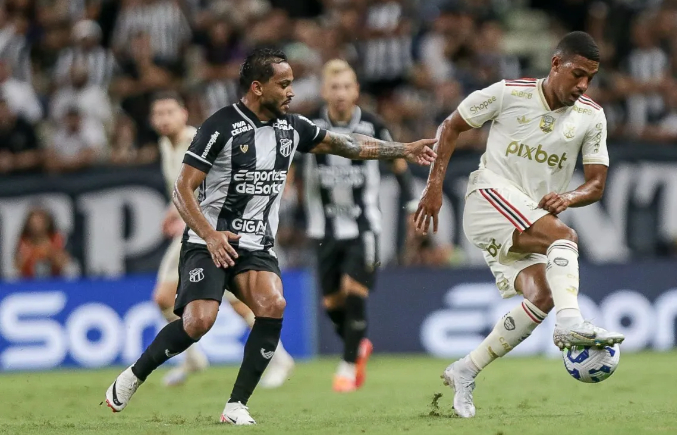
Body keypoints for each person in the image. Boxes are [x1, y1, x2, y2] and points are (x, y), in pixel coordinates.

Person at [104, 48, 436, 425]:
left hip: (256, 245)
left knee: (273, 304)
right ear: (258, 88)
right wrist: (210, 235)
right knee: (198, 322)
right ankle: (134, 375)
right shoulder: (221, 126)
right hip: (209, 242)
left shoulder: (292, 127)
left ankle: (236, 405)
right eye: (284, 84)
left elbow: (348, 145)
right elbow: (183, 189)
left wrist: (404, 149)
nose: (291, 91)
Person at [415, 31, 625, 418]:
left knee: (543, 294)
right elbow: (451, 125)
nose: (583, 85)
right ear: (556, 64)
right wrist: (433, 186)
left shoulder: (592, 116)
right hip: (489, 198)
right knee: (564, 236)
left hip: (524, 221)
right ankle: (571, 323)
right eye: (578, 74)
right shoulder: (509, 93)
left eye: (590, 78)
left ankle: (466, 369)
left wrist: (569, 197)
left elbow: (596, 184)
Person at [147, 91, 295, 389]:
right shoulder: (166, 145)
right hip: (196, 231)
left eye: (169, 112)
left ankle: (279, 359)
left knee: (238, 302)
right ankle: (194, 359)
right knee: (165, 299)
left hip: (214, 231)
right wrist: (172, 212)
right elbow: (184, 188)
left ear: (184, 114)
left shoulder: (197, 140)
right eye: (158, 114)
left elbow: (221, 181)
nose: (164, 119)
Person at [301, 59, 415, 392]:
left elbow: (397, 162)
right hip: (323, 228)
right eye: (334, 87)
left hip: (364, 225)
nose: (341, 93)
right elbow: (290, 165)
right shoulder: (309, 126)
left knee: (354, 292)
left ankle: (348, 367)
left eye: (347, 87)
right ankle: (359, 345)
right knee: (332, 304)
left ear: (356, 91)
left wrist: (412, 204)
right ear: (324, 91)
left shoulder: (373, 125)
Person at [15, 207, 71, 279]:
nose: (36, 225)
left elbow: (64, 262)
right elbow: (17, 265)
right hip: (29, 281)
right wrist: (28, 255)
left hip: (55, 280)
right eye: (33, 222)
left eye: (39, 222)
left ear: (47, 223)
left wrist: (51, 253)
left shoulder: (56, 239)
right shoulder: (24, 241)